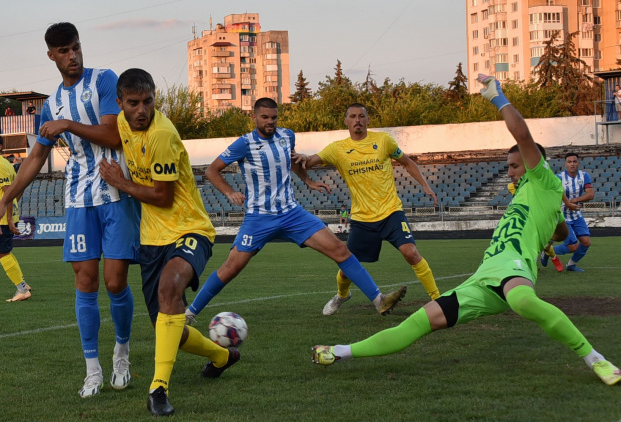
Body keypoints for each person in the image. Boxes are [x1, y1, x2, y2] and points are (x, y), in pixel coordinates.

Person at [311, 75, 621, 388]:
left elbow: (523, 136)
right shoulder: (536, 197)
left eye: (514, 165)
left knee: (524, 302)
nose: (510, 172)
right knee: (419, 321)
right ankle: (338, 352)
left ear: (531, 163)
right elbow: (557, 229)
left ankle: (597, 360)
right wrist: (554, 230)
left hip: (514, 270)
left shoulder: (543, 181)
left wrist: (497, 97)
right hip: (485, 278)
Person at [0, 22, 140, 398]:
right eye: (63, 51)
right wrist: (6, 199)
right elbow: (36, 157)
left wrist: (69, 124)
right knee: (85, 282)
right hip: (78, 198)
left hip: (116, 192)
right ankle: (93, 370)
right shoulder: (51, 104)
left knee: (115, 282)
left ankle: (122, 352)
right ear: (51, 55)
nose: (72, 57)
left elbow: (114, 134)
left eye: (75, 48)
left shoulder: (105, 80)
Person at [185, 97, 407, 326]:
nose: (270, 122)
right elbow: (212, 170)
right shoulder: (244, 143)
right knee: (230, 268)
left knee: (340, 250)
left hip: (292, 214)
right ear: (254, 117)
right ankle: (190, 313)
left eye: (274, 117)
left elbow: (291, 161)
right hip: (259, 218)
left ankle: (379, 300)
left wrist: (308, 181)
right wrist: (230, 192)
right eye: (265, 118)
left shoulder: (286, 136)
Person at [98, 68, 238, 417]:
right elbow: (102, 130)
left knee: (169, 285)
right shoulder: (121, 124)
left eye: (148, 102)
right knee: (167, 322)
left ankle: (158, 389)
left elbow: (161, 196)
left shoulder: (161, 134)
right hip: (151, 239)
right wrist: (64, 126)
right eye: (133, 103)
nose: (142, 110)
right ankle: (221, 355)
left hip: (190, 229)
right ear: (120, 104)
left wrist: (120, 181)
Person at [293, 103, 441, 315]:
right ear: (346, 121)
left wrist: (425, 185)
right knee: (346, 267)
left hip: (391, 212)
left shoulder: (383, 141)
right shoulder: (337, 149)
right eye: (352, 116)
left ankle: (438, 298)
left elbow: (407, 163)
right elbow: (309, 161)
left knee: (411, 253)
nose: (357, 120)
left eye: (361, 116)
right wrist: (303, 161)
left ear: (368, 119)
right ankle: (342, 295)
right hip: (363, 219)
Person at [0, 132, 31, 301]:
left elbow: (8, 193)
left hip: (3, 218)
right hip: (5, 216)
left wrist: (9, 219)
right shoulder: (4, 163)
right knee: (2, 251)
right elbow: (17, 189)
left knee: (2, 252)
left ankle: (22, 289)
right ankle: (23, 284)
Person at [542, 153, 594, 272]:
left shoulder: (584, 176)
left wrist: (576, 200)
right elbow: (557, 193)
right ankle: (547, 251)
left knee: (586, 243)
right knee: (573, 246)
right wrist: (568, 204)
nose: (572, 164)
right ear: (565, 164)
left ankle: (571, 265)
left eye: (574, 161)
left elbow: (590, 194)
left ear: (578, 163)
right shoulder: (559, 177)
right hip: (562, 216)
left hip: (576, 215)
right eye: (569, 162)